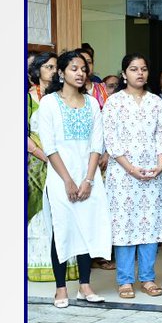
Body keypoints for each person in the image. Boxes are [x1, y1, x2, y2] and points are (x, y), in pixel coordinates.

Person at [38, 49, 111, 308]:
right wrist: (68, 181)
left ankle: (84, 286)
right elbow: (49, 146)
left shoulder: (92, 103)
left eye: (83, 69)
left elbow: (96, 143)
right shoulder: (48, 103)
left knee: (87, 227)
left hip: (88, 177)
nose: (80, 73)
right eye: (74, 69)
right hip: (60, 177)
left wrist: (88, 179)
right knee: (63, 228)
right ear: (61, 72)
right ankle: (60, 289)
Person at [103, 54, 162, 299]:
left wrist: (160, 165)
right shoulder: (113, 103)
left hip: (153, 173)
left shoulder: (156, 102)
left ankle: (148, 278)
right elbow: (111, 141)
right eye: (133, 69)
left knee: (150, 223)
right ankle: (124, 280)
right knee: (125, 224)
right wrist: (131, 169)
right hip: (123, 175)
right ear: (124, 74)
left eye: (143, 69)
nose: (139, 73)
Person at [27, 51, 68, 283]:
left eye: (56, 67)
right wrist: (44, 155)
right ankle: (37, 267)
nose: (53, 71)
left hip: (61, 161)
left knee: (60, 212)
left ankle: (63, 267)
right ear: (38, 70)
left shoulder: (61, 98)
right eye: (49, 67)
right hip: (36, 163)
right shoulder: (27, 98)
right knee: (39, 214)